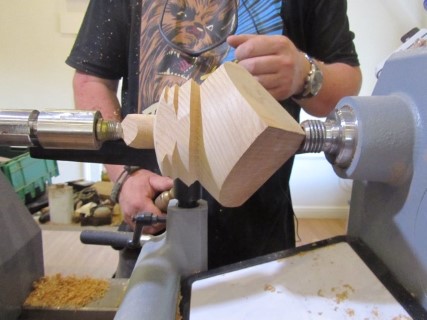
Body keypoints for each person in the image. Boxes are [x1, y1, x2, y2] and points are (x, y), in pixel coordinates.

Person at [66, 0, 362, 276]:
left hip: (257, 235)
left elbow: (345, 84)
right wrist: (125, 178)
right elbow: (92, 80)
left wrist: (304, 74)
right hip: (151, 226)